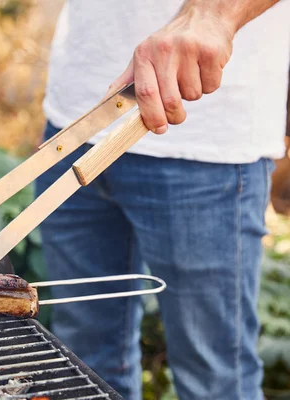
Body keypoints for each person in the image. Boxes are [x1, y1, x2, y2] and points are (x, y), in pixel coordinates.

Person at [37, 1, 290, 399]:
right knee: (84, 363)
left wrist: (213, 14)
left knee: (214, 381)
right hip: (75, 120)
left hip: (207, 147)